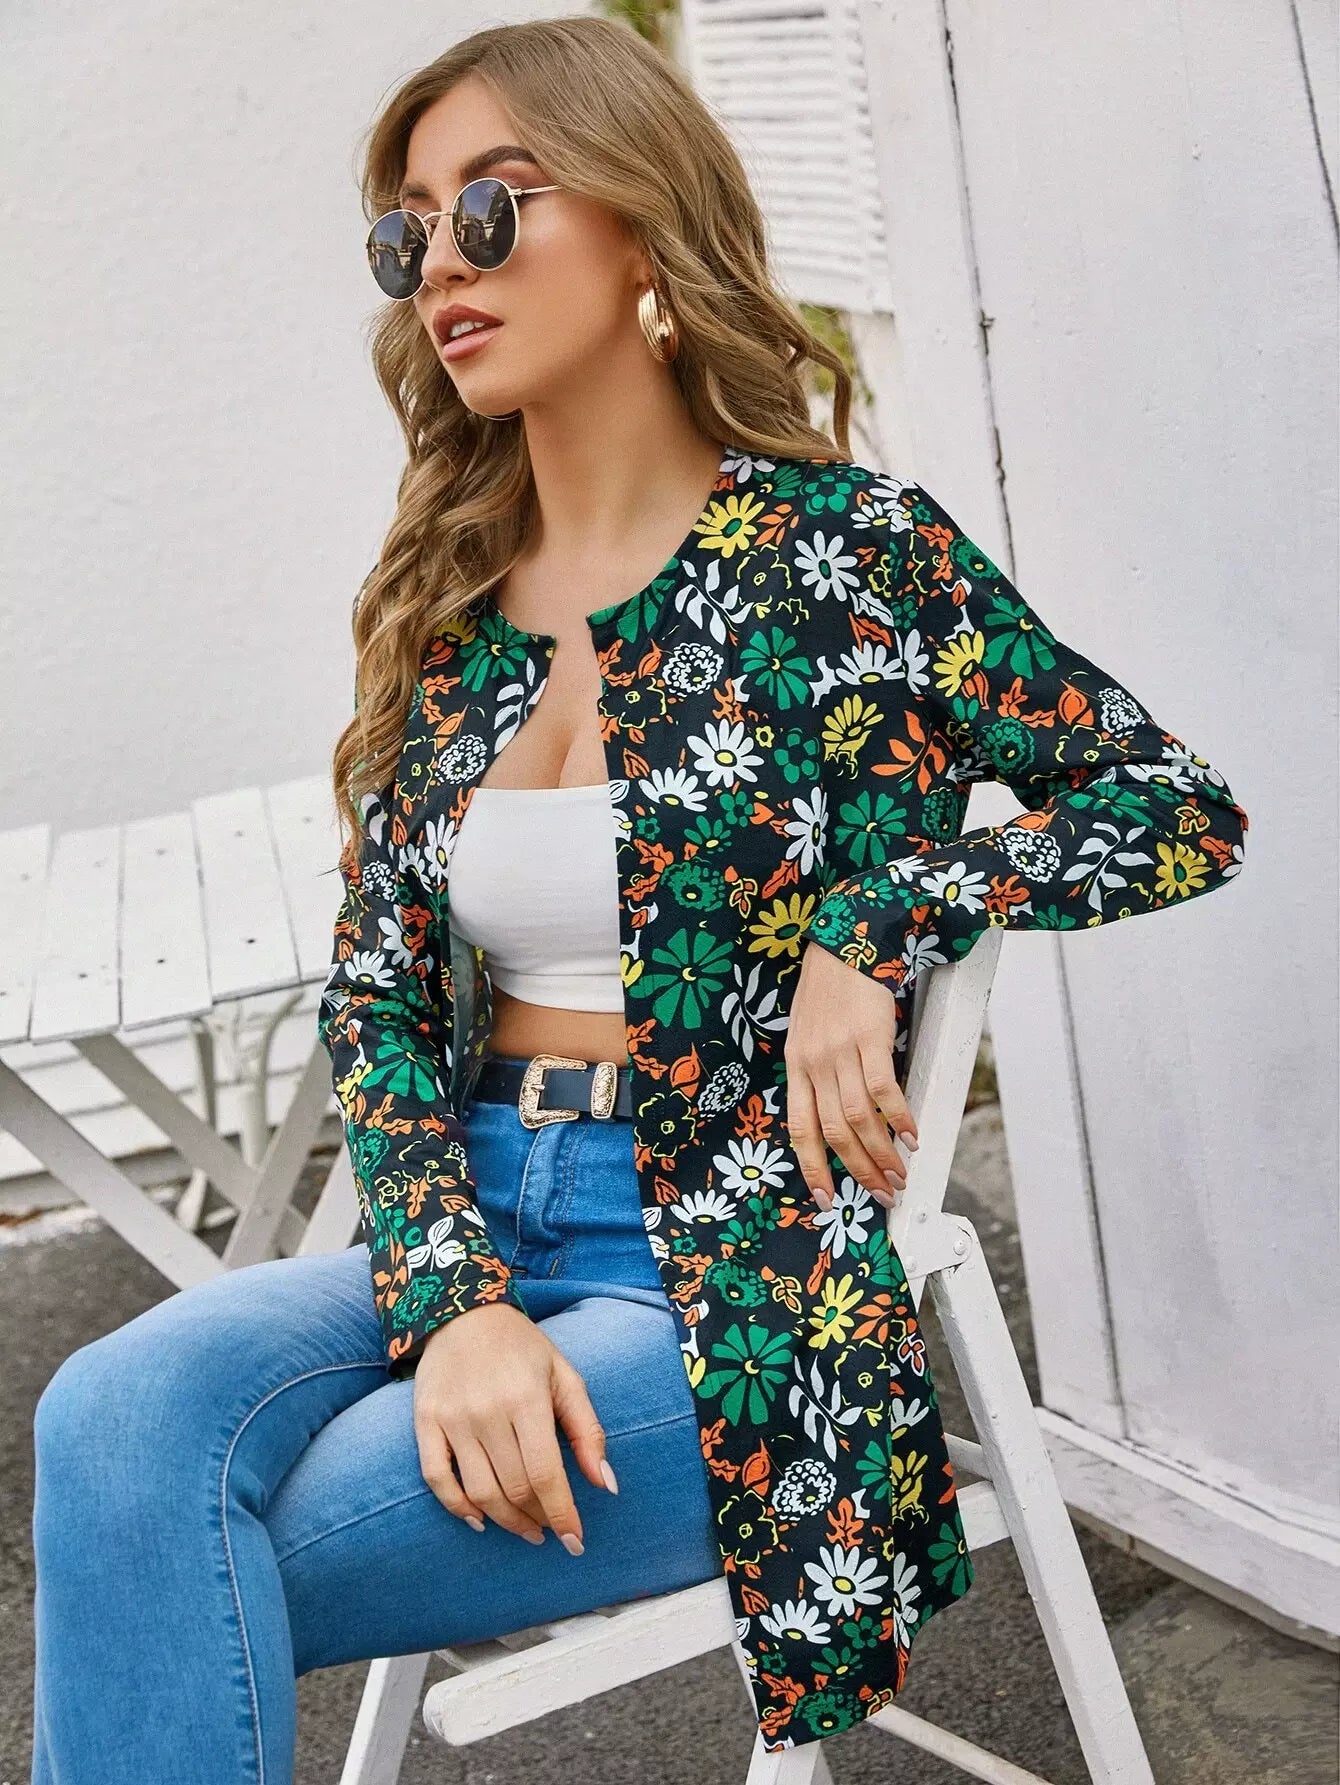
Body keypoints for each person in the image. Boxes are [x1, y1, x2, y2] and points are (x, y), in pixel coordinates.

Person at [28, 15, 1251, 1780]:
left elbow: (1172, 806)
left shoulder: (849, 557)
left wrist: (875, 924)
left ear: (640, 221)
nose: (442, 265)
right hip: (465, 1207)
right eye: (410, 232)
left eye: (492, 206)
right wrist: (456, 1301)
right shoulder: (448, 609)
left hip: (731, 1274)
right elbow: (376, 999)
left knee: (168, 1557)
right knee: (106, 1414)